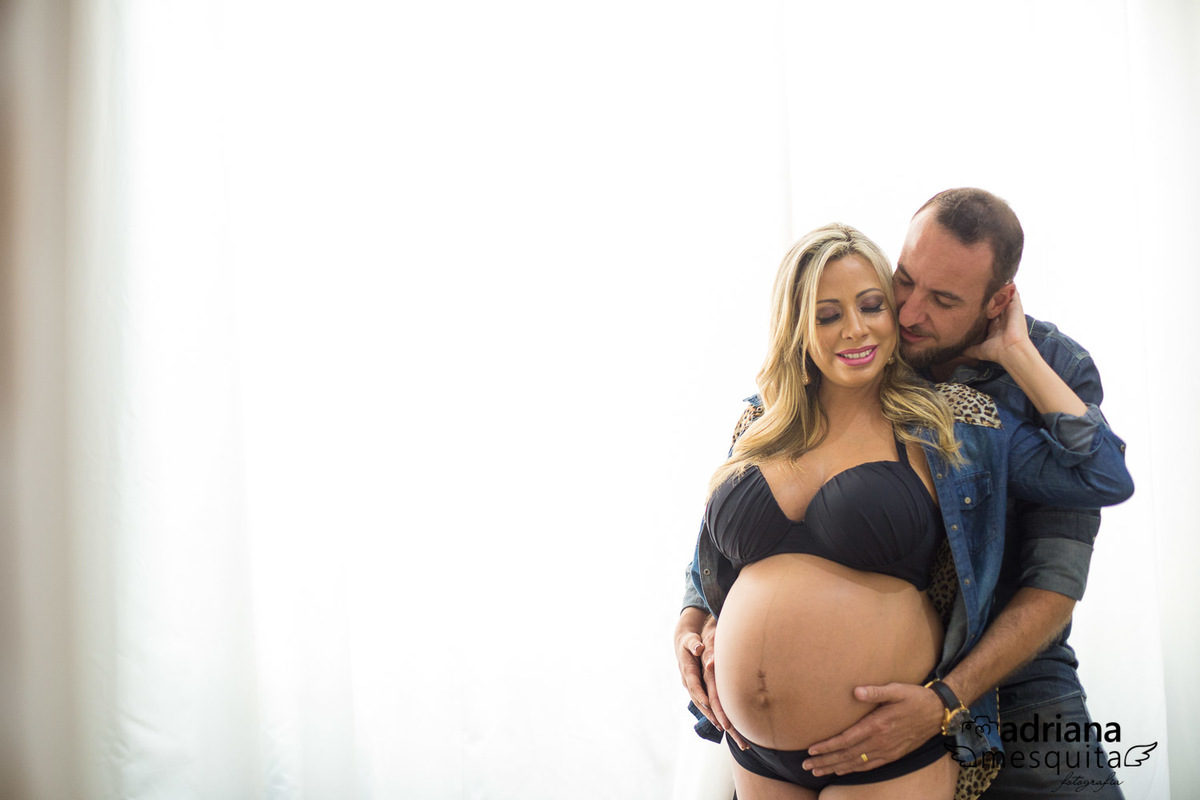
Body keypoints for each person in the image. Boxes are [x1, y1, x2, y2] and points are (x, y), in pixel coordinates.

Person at [675, 189, 1130, 798]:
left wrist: (946, 699)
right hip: (761, 752)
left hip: (1007, 667)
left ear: (998, 302)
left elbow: (1065, 557)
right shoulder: (793, 399)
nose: (908, 312)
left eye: (942, 300)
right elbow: (723, 533)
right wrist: (693, 620)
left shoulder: (983, 408)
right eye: (903, 283)